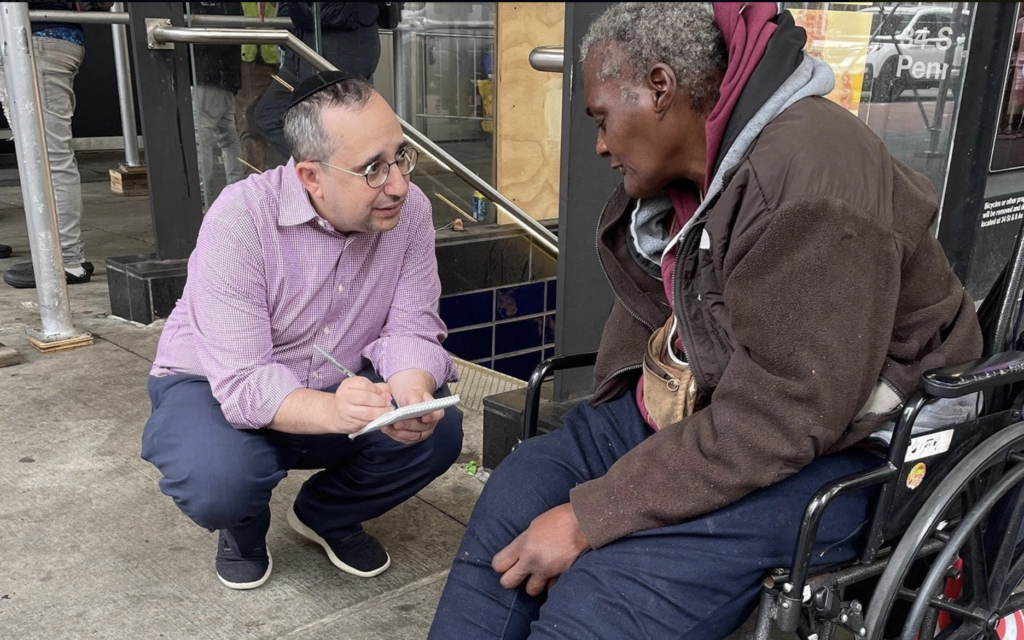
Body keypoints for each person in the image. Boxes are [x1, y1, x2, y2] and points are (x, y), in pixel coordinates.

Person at [429, 4, 983, 639]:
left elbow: (784, 415)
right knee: (519, 491)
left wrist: (592, 517)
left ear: (661, 88)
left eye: (603, 119)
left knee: (607, 593)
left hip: (855, 443)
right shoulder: (695, 170)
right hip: (720, 399)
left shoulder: (812, 182)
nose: (601, 145)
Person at [142, 71, 463, 590]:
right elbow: (242, 380)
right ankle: (243, 527)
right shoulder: (240, 219)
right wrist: (333, 412)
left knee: (437, 432)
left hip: (336, 378)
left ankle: (325, 513)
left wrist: (411, 393)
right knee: (217, 478)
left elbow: (411, 324)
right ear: (311, 177)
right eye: (373, 170)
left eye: (401, 156)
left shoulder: (411, 212)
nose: (399, 185)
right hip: (216, 383)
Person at [0, 1, 108, 288]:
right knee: (44, 156)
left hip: (35, 40)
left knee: (48, 158)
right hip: (37, 39)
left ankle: (66, 261)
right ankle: (63, 257)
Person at [255, 2, 385, 162]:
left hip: (339, 42)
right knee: (269, 115)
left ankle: (339, 168)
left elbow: (320, 12)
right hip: (305, 44)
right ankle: (328, 168)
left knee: (337, 124)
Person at [190, 2, 246, 206]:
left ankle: (201, 195)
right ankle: (237, 190)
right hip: (226, 74)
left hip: (207, 71)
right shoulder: (231, 5)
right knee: (227, 136)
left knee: (200, 134)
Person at [235, 2, 282, 173]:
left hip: (269, 55)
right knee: (249, 121)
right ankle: (254, 176)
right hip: (249, 55)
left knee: (262, 119)